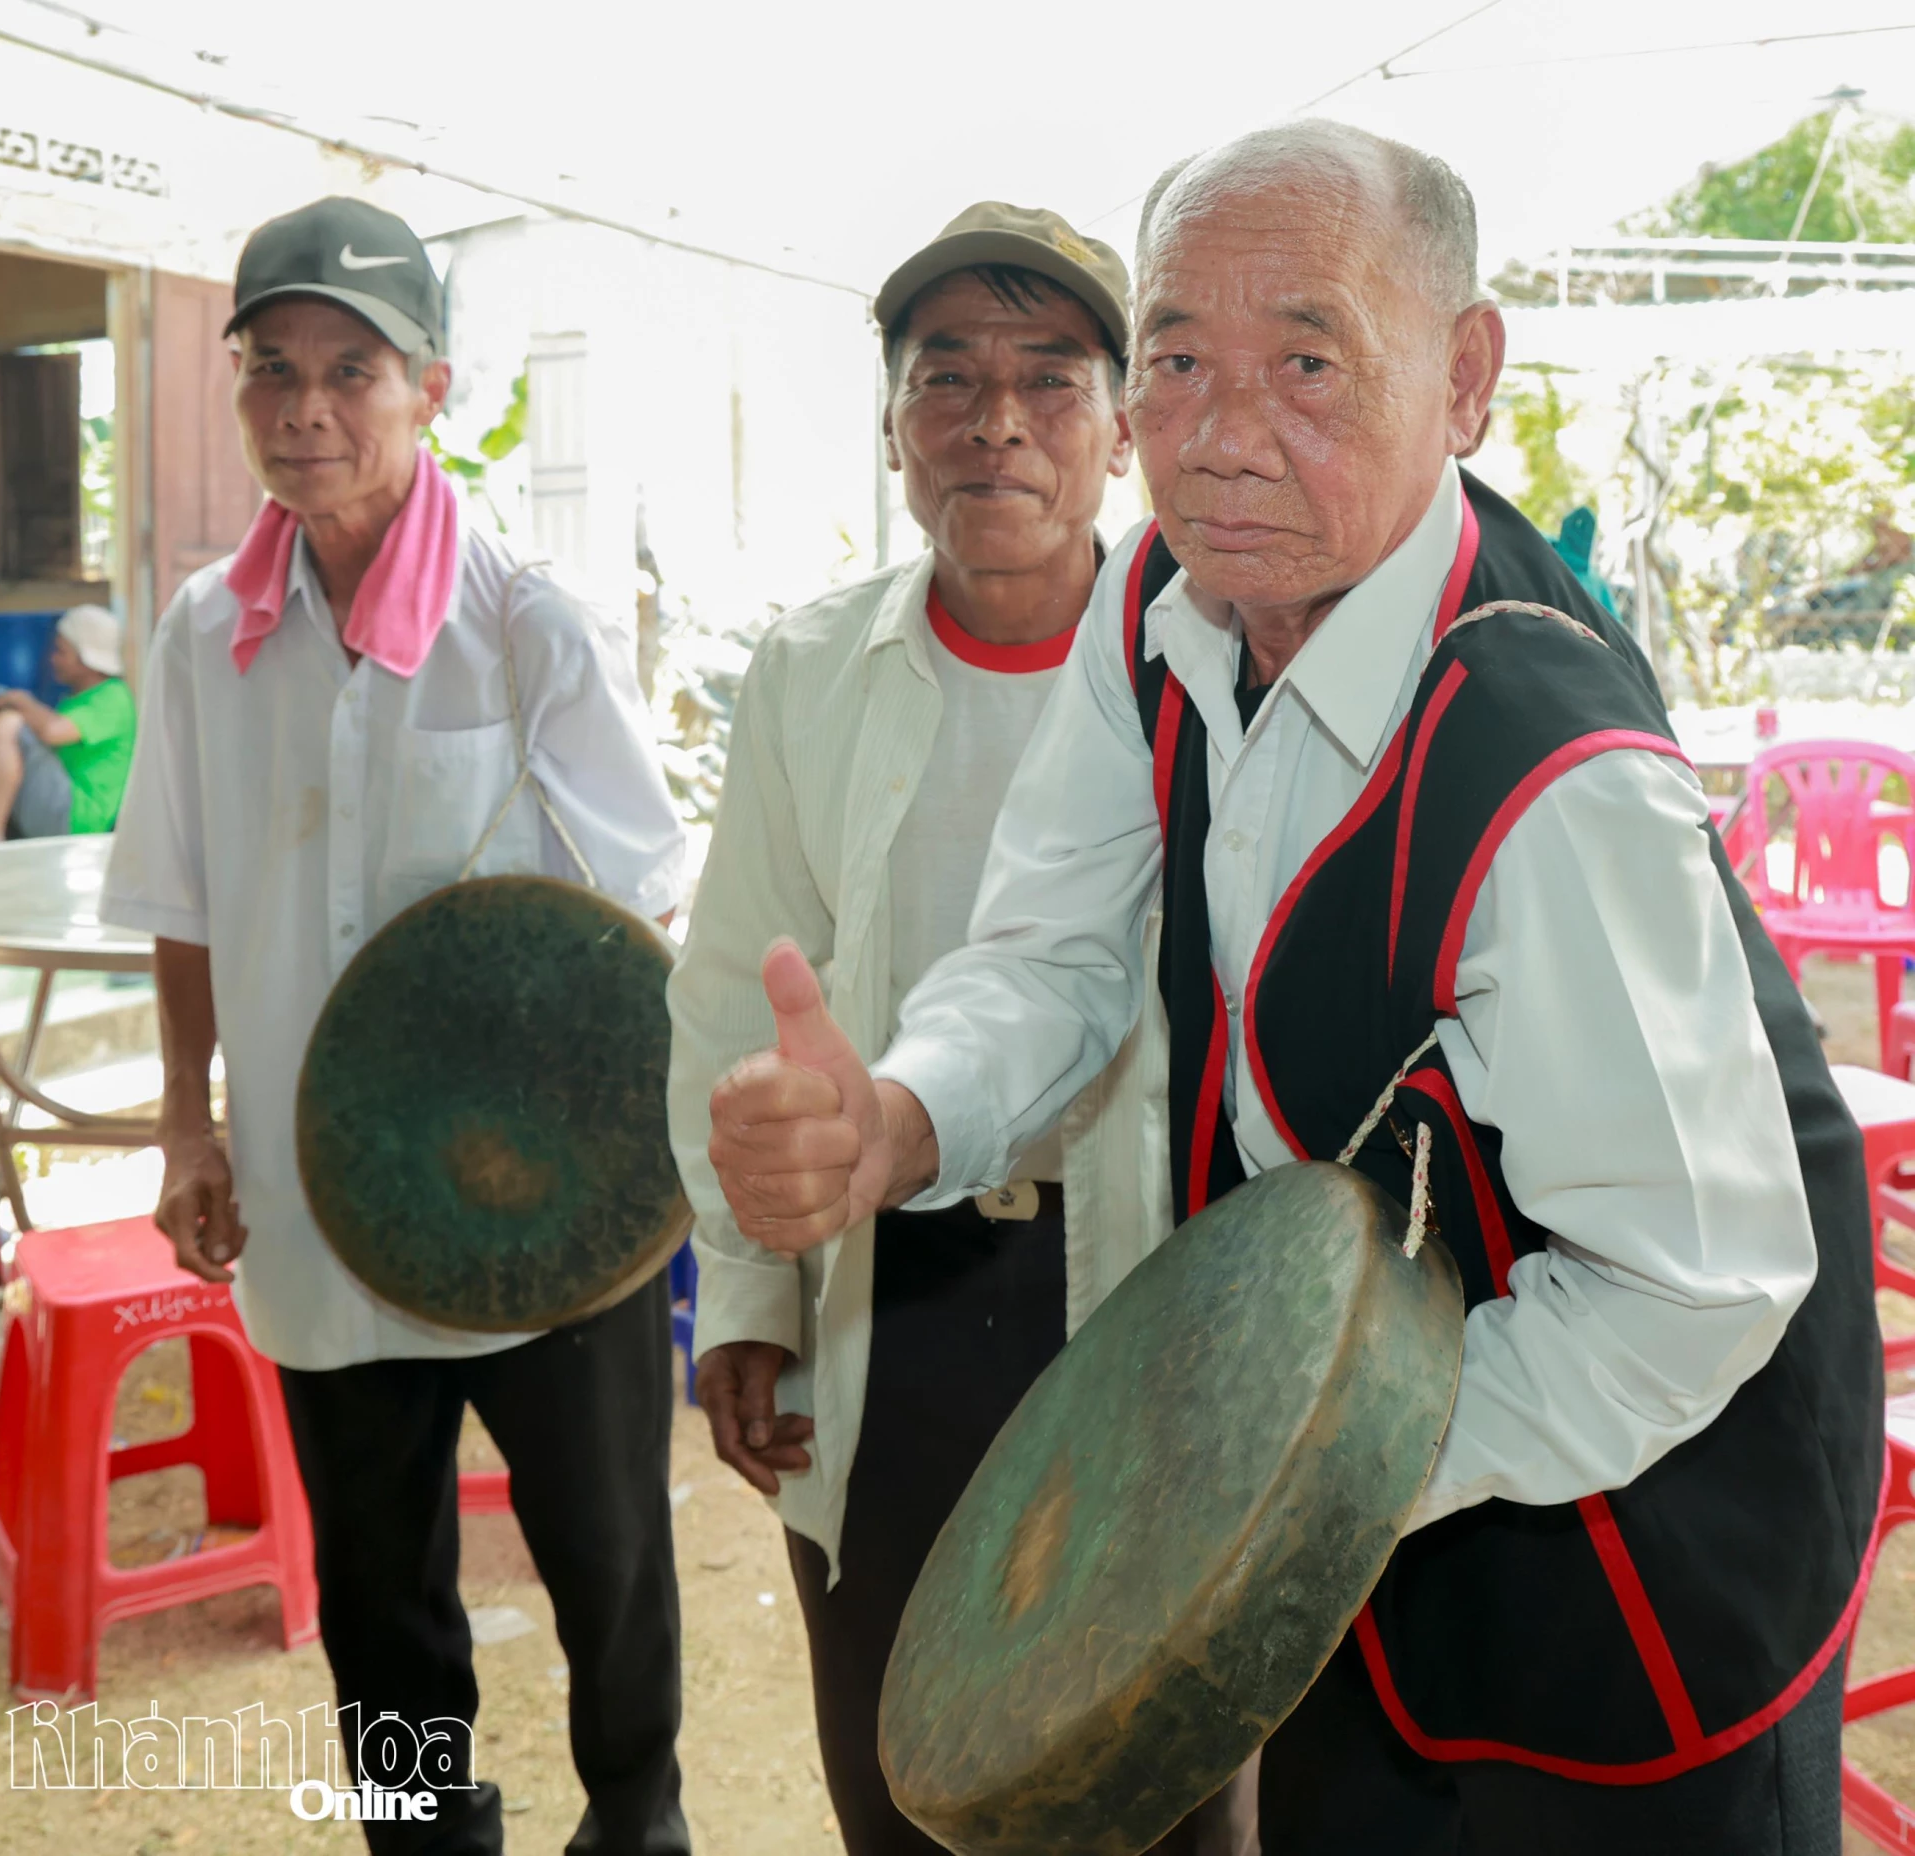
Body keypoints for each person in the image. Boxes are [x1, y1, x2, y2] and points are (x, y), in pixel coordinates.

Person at [703, 123, 1882, 1855]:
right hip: (1359, 1531)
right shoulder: (1158, 604)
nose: (1227, 435)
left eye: (1310, 363)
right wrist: (901, 1115)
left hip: (1646, 1541)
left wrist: (1288, 1485)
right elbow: (1058, 943)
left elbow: (1694, 1287)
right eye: (1178, 360)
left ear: (1466, 377)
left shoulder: (1547, 771)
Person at [101, 196, 690, 1856]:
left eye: (349, 369)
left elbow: (637, 916)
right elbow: (187, 894)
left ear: (431, 386)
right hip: (323, 1199)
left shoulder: (526, 629)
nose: (304, 409)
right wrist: (185, 1120)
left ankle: (636, 1827)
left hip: (548, 1217)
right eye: (269, 370)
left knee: (611, 1570)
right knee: (381, 1603)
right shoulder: (207, 636)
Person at [668, 202, 1252, 1855]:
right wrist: (752, 1284)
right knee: (910, 1750)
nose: (995, 421)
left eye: (1051, 379)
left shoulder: (1211, 662)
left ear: (1124, 429)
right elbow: (730, 1001)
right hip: (893, 1286)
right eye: (947, 379)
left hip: (1151, 1292)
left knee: (1159, 1767)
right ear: (891, 427)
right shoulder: (809, 672)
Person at [0, 604, 136, 837]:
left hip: (75, 819)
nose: (52, 659)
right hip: (60, 809)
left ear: (85, 659)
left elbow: (52, 731)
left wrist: (21, 701)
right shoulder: (76, 699)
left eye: (61, 652)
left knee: (11, 724)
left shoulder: (113, 697)